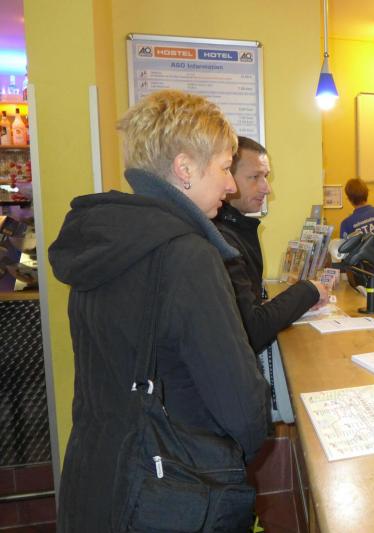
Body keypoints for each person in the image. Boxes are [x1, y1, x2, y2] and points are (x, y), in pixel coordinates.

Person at [49, 90, 270, 531]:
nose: (230, 186)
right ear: (185, 169)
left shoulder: (102, 240)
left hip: (98, 478)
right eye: (224, 168)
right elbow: (243, 409)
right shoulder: (187, 256)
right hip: (168, 492)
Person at [214, 136, 328, 422]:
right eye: (254, 177)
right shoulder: (223, 240)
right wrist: (309, 290)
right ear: (226, 178)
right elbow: (251, 328)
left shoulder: (237, 229)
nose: (266, 188)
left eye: (265, 177)